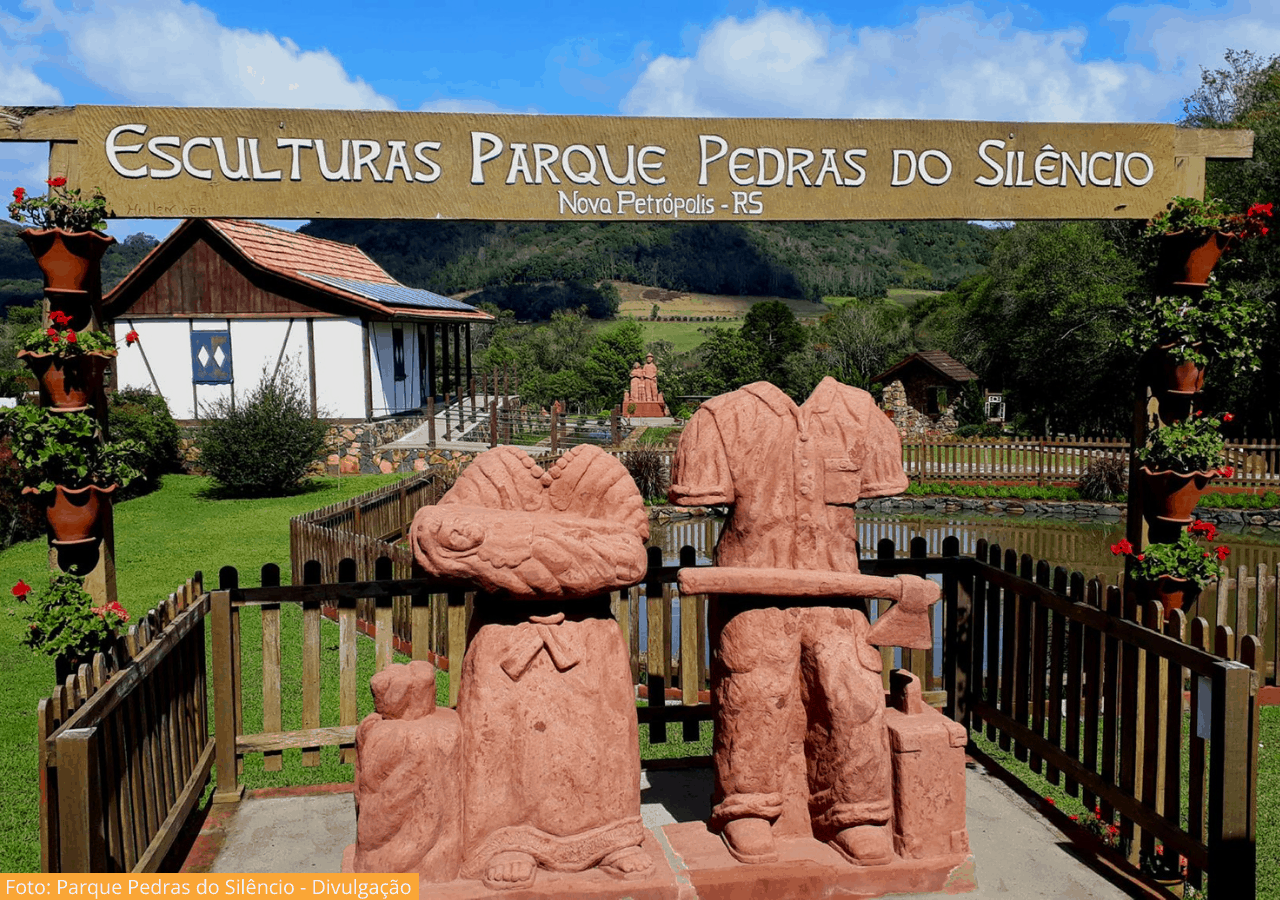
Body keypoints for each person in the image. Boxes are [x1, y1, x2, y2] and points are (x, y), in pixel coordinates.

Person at [668, 377, 911, 866]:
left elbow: (878, 484)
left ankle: (855, 812)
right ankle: (747, 806)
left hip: (838, 590)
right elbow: (694, 493)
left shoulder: (860, 414)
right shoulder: (722, 417)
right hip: (751, 591)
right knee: (753, 692)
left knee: (852, 693)